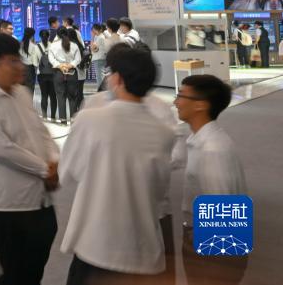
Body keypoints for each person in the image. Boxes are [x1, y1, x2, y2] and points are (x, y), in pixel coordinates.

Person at [60, 44, 174, 285]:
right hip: (144, 249)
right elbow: (160, 186)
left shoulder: (91, 119)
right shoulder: (164, 131)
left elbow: (69, 171)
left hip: (98, 246)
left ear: (118, 78)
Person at [0, 34, 59, 285]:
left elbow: (41, 131)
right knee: (16, 273)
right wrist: (44, 169)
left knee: (32, 271)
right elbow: (0, 148)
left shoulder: (22, 94)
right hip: (6, 205)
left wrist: (54, 160)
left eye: (19, 59)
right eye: (12, 61)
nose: (20, 66)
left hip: (39, 199)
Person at [174, 74, 248, 285]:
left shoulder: (212, 149)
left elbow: (222, 212)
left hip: (212, 249)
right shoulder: (200, 140)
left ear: (201, 105)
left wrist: (217, 269)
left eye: (181, 96)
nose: (176, 102)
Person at [49, 30, 81, 124]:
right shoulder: (74, 45)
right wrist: (69, 65)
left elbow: (51, 59)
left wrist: (60, 66)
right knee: (73, 98)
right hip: (72, 72)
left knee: (60, 97)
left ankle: (63, 121)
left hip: (59, 73)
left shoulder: (53, 45)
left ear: (57, 35)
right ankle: (73, 121)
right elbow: (78, 59)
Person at [37, 30, 57, 121]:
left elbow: (35, 62)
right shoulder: (53, 46)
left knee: (44, 95)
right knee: (53, 96)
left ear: (40, 36)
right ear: (49, 37)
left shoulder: (37, 47)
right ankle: (53, 117)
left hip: (41, 74)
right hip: (52, 74)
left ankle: (44, 116)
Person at [20, 27, 41, 99]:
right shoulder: (34, 46)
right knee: (30, 90)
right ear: (32, 35)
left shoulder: (20, 44)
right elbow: (35, 62)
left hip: (20, 69)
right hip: (30, 69)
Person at [88, 23, 107, 90]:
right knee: (100, 77)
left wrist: (92, 37)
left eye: (94, 30)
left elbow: (92, 48)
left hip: (99, 59)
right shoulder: (100, 37)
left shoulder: (100, 37)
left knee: (100, 78)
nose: (93, 32)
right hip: (99, 59)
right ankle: (102, 91)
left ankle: (101, 92)